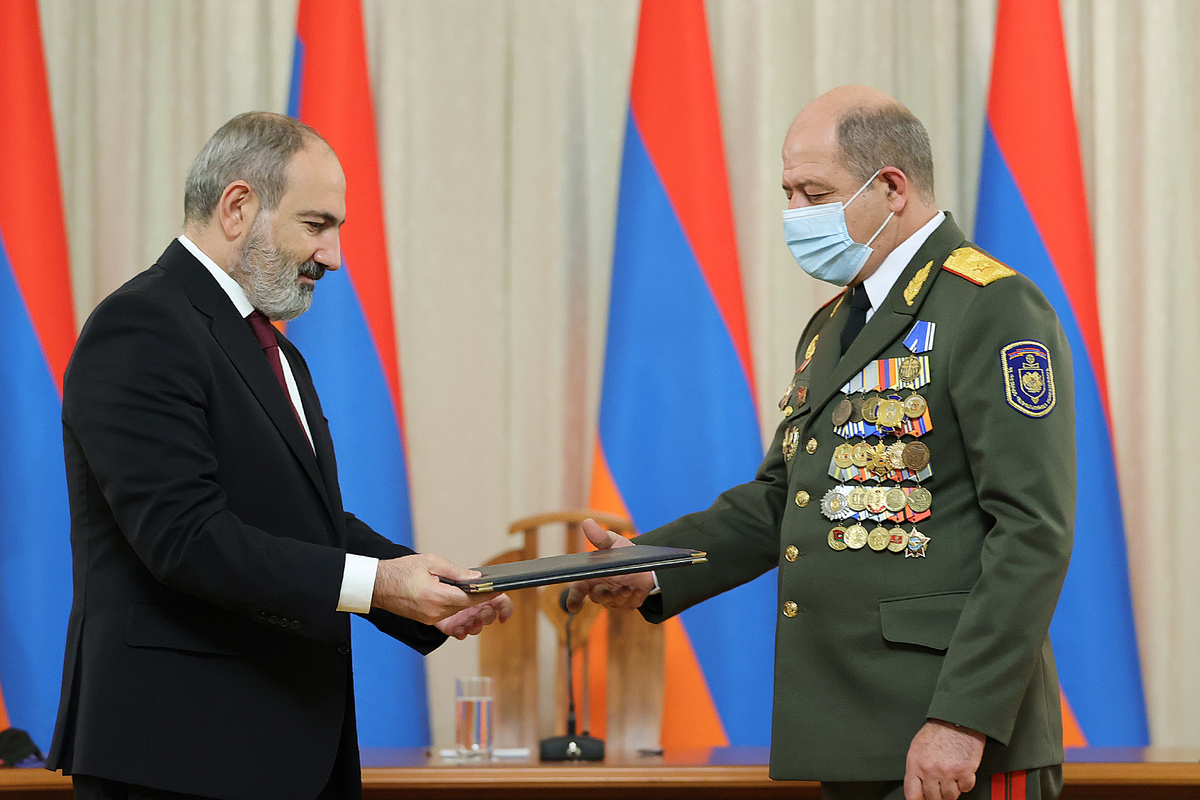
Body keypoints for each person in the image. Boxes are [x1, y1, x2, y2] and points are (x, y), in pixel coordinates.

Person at [568, 85, 1075, 800]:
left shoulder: (991, 306)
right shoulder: (835, 323)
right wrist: (651, 566)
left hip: (953, 735)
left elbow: (1032, 532)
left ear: (891, 188)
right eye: (789, 193)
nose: (796, 214)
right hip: (854, 730)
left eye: (816, 193)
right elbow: (785, 499)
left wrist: (963, 719)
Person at [46, 111, 512, 800]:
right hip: (178, 756)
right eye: (317, 225)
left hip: (285, 753)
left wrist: (423, 591)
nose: (334, 256)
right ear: (237, 207)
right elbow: (185, 537)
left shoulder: (275, 349)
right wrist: (380, 585)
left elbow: (301, 521)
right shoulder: (142, 324)